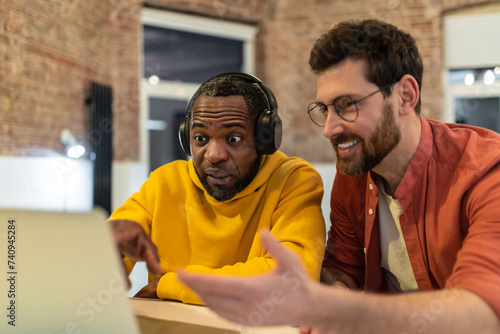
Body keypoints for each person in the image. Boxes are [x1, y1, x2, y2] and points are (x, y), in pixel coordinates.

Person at [177, 19, 500, 333]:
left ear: (405, 96)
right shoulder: (355, 172)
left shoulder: (486, 173)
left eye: (347, 105)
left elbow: (485, 315)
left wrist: (340, 311)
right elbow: (342, 268)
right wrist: (335, 294)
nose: (330, 129)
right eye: (325, 108)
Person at [108, 72, 326, 305]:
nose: (214, 155)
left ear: (265, 139)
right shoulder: (164, 183)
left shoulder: (293, 181)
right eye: (201, 138)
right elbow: (104, 250)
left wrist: (172, 285)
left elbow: (292, 278)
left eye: (233, 139)